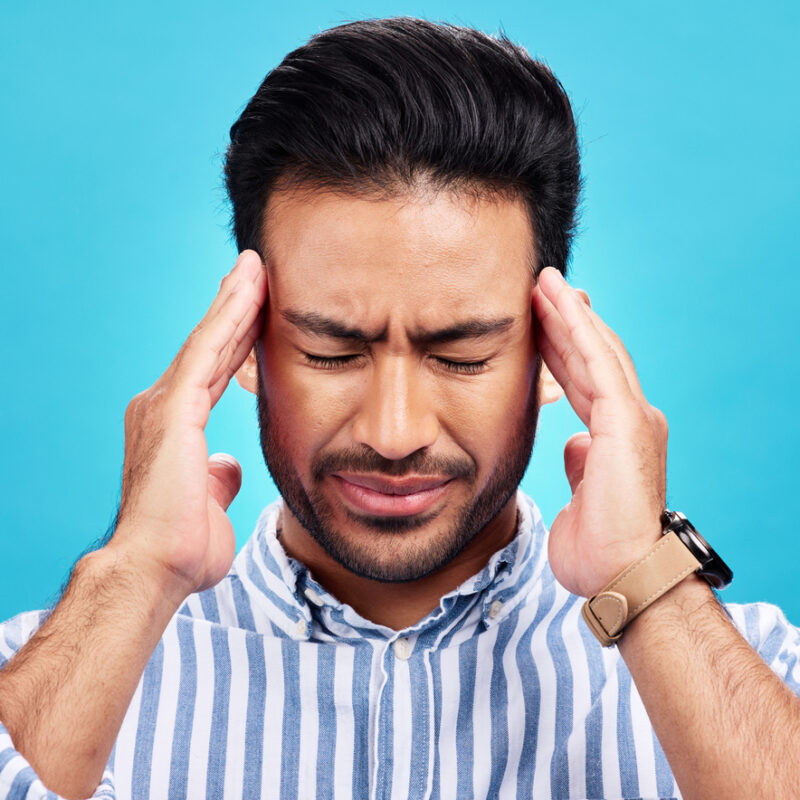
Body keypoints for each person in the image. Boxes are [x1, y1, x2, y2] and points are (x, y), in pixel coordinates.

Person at [0, 15, 798, 800]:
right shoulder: (42, 678)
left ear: (559, 353)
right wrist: (135, 572)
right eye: (332, 352)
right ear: (242, 344)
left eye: (461, 356)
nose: (394, 434)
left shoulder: (761, 675)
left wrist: (647, 582)